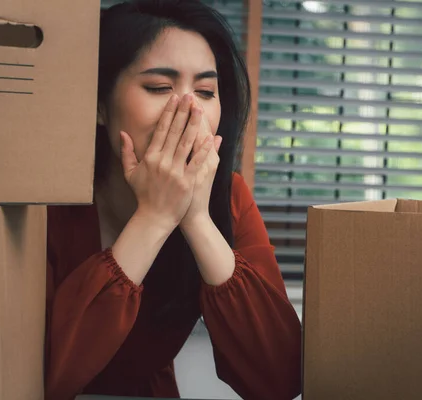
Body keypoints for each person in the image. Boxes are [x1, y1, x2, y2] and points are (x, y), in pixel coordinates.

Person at [44, 0, 302, 399]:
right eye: (159, 88)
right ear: (98, 103)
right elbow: (33, 375)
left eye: (205, 91)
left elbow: (279, 380)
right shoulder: (42, 201)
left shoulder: (229, 196)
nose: (189, 111)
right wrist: (155, 217)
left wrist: (196, 218)